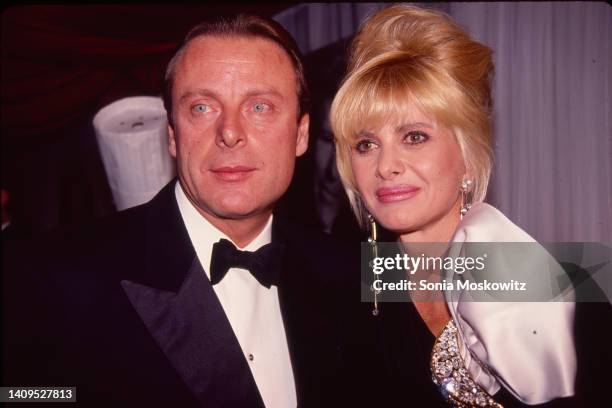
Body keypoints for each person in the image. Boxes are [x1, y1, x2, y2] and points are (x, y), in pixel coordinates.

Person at [2, 14, 358, 407]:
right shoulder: (53, 277)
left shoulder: (346, 268)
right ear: (172, 135)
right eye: (203, 107)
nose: (230, 132)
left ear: (301, 133)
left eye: (259, 106)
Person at [330, 5, 582, 407]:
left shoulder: (541, 291)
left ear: (467, 156)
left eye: (414, 136)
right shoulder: (342, 298)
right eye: (366, 144)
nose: (386, 166)